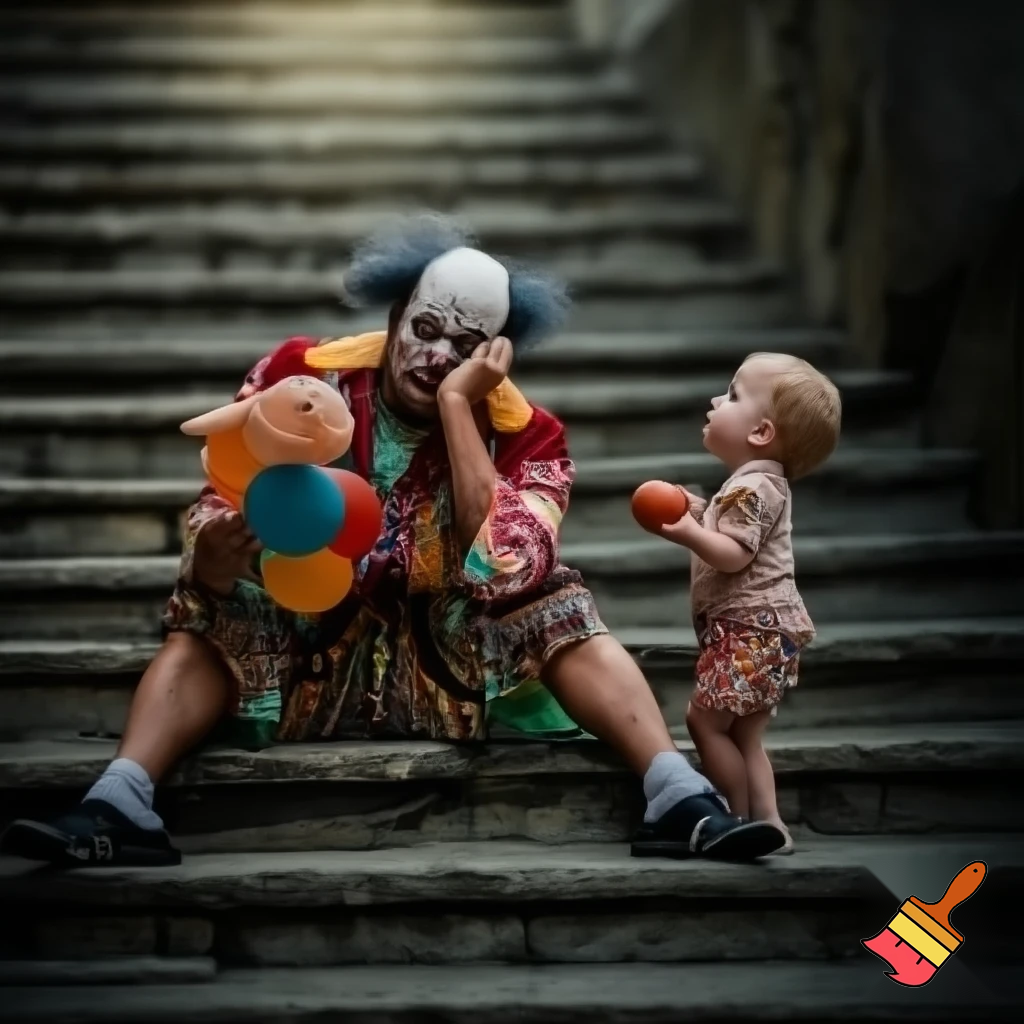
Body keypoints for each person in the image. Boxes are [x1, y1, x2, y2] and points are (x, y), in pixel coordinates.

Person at [1, 216, 787, 867]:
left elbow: (506, 566)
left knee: (554, 596)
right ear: (394, 316)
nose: (437, 356)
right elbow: (223, 493)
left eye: (464, 346)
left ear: (493, 357)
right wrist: (211, 556)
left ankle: (677, 796)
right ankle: (121, 804)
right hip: (298, 647)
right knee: (215, 604)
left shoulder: (531, 436)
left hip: (450, 659)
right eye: (425, 329)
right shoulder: (300, 380)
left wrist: (458, 409)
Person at [660, 352, 842, 854]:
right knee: (744, 736)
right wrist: (698, 510)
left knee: (703, 722)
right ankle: (771, 824)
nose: (717, 399)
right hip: (768, 633)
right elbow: (735, 534)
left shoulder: (752, 486)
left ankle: (735, 820)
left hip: (749, 633)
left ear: (761, 432)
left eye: (733, 394)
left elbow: (734, 554)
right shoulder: (755, 485)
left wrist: (689, 533)